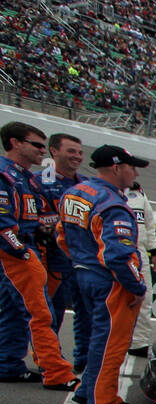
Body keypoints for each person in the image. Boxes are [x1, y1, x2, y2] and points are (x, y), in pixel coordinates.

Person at [57, 145, 152, 404]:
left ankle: (87, 390)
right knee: (112, 342)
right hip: (110, 281)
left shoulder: (75, 192)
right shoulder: (113, 204)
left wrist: (80, 263)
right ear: (116, 168)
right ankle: (104, 399)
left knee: (97, 338)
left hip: (83, 274)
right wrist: (137, 287)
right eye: (131, 167)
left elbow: (61, 236)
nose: (134, 172)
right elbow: (118, 256)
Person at [0, 121, 77, 388]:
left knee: (13, 311)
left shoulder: (27, 177)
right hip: (15, 253)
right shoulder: (4, 174)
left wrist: (47, 227)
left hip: (26, 247)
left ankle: (8, 364)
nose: (42, 151)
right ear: (14, 143)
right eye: (36, 145)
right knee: (40, 314)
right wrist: (21, 252)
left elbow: (37, 215)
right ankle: (56, 373)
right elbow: (3, 223)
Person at [38, 132, 91, 372]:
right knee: (52, 312)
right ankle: (47, 360)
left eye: (79, 152)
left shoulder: (87, 185)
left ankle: (84, 358)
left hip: (83, 259)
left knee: (87, 312)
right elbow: (34, 219)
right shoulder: (39, 182)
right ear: (54, 151)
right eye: (71, 151)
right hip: (54, 259)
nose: (77, 157)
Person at [125, 179, 156, 356]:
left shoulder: (139, 193)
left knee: (145, 297)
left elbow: (149, 224)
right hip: (117, 252)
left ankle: (139, 342)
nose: (135, 173)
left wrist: (154, 252)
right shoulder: (107, 192)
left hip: (140, 253)